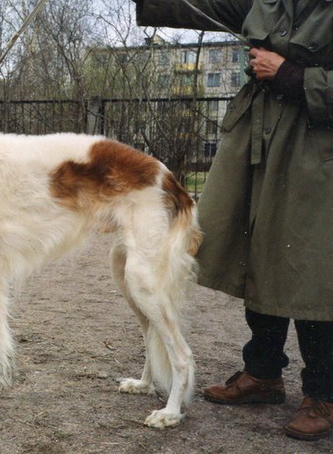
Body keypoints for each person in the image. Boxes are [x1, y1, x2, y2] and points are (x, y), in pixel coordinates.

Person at [134, 0, 333, 441]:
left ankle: (324, 393)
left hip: (317, 153)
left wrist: (294, 76)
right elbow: (196, 4)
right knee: (256, 255)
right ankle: (262, 373)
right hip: (256, 142)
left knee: (312, 273)